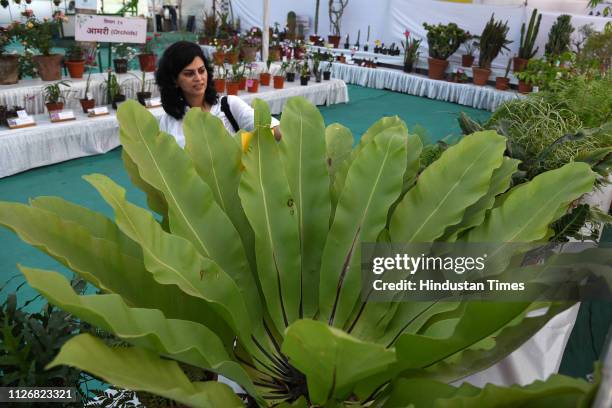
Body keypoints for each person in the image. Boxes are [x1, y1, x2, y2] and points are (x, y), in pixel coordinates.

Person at [156, 41, 280, 148]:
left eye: (201, 70)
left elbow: (271, 127)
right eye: (189, 73)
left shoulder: (228, 105)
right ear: (174, 80)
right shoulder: (168, 122)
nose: (199, 78)